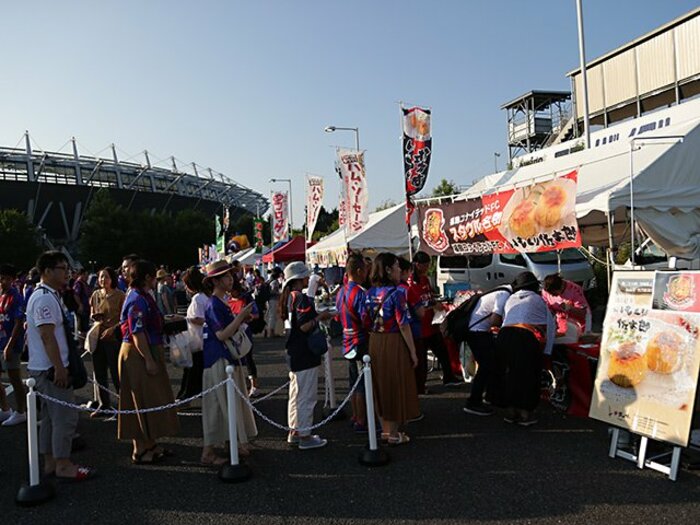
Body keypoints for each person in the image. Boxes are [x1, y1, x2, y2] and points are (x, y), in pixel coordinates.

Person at [26, 251, 96, 481]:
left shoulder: (48, 294)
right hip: (49, 368)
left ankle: (50, 461)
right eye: (62, 269)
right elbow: (48, 336)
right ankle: (64, 464)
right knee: (65, 418)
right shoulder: (45, 298)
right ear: (46, 271)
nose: (67, 273)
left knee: (49, 418)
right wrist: (59, 367)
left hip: (42, 367)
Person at [118, 260, 179, 464]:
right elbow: (137, 332)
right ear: (146, 278)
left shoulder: (142, 296)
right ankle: (140, 448)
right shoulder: (137, 299)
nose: (156, 280)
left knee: (150, 399)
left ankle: (150, 442)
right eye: (153, 276)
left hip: (145, 349)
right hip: (138, 353)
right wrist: (149, 359)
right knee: (138, 400)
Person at [201, 260, 257, 464]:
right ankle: (209, 451)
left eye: (231, 275)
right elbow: (222, 334)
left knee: (227, 402)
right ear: (215, 280)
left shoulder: (219, 302)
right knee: (217, 404)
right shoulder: (214, 304)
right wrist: (240, 316)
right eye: (226, 276)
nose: (231, 279)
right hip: (218, 358)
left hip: (226, 358)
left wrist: (241, 318)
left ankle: (231, 441)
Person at [365, 252, 420, 445]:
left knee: (379, 385)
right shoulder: (397, 294)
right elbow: (403, 324)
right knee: (396, 384)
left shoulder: (369, 293)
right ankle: (394, 434)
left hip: (375, 341)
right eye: (396, 267)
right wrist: (413, 351)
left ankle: (385, 431)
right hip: (394, 341)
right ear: (388, 270)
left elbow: (365, 319)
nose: (399, 270)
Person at [279, 261, 333, 450]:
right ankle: (305, 435)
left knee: (296, 394)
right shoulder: (300, 298)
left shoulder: (288, 298)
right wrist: (320, 317)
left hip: (293, 352)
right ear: (300, 279)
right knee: (306, 396)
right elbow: (304, 326)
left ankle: (295, 431)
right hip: (304, 353)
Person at [495, 271, 555, 426]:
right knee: (527, 376)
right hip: (524, 337)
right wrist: (547, 353)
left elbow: (505, 319)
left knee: (509, 374)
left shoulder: (510, 299)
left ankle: (511, 413)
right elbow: (551, 327)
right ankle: (525, 414)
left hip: (504, 336)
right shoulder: (538, 300)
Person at [408, 251, 462, 387]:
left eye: (428, 264)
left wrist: (438, 303)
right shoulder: (411, 283)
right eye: (425, 265)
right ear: (417, 265)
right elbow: (416, 303)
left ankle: (449, 377)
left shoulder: (425, 280)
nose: (427, 268)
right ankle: (420, 386)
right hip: (420, 328)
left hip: (432, 324)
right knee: (422, 360)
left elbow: (430, 296)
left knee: (443, 352)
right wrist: (432, 304)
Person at [462, 285, 512, 416]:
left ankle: (491, 396)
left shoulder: (501, 289)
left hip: (478, 331)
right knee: (486, 366)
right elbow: (494, 320)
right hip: (478, 333)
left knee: (493, 364)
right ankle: (473, 401)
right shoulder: (504, 295)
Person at [336, 253, 370, 431]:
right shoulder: (360, 293)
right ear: (358, 271)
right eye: (365, 270)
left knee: (353, 382)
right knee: (363, 383)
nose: (366, 274)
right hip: (360, 341)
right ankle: (362, 420)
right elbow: (366, 319)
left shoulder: (341, 292)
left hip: (346, 341)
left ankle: (357, 416)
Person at [88, 267, 125, 417]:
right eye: (101, 277)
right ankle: (104, 404)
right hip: (98, 337)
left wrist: (113, 329)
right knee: (99, 372)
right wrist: (95, 317)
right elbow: (91, 311)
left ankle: (123, 405)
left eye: (107, 277)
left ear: (113, 279)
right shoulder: (96, 295)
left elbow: (124, 319)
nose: (103, 280)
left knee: (117, 374)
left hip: (113, 339)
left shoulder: (120, 295)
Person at [0, 263, 27, 426]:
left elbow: (18, 322)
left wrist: (9, 346)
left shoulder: (15, 296)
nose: (3, 282)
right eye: (1, 278)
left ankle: (21, 411)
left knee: (14, 378)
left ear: (12, 280)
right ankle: (4, 409)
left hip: (11, 343)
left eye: (6, 279)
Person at [176, 266, 207, 401]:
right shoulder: (205, 296)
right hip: (200, 339)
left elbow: (200, 319)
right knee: (196, 371)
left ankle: (186, 397)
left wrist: (184, 319)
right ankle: (190, 394)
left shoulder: (198, 299)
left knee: (191, 371)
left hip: (196, 340)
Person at [399, 257, 428, 397]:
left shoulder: (380, 290)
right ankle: (414, 402)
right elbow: (420, 312)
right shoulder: (406, 290)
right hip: (412, 332)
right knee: (416, 366)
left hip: (392, 336)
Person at [227, 279, 261, 397]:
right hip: (232, 332)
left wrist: (248, 316)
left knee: (248, 358)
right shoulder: (226, 300)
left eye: (233, 291)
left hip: (245, 331)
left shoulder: (247, 299)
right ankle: (240, 385)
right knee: (235, 359)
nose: (231, 293)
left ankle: (254, 385)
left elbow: (257, 314)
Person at [542, 273, 591, 343]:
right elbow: (548, 308)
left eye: (555, 294)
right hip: (562, 321)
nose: (553, 296)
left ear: (561, 287)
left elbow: (583, 313)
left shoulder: (574, 290)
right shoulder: (546, 291)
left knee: (578, 342)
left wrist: (570, 308)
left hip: (579, 322)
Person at [264, 267, 283, 338]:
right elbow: (273, 291)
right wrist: (280, 293)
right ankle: (271, 332)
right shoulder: (274, 282)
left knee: (269, 315)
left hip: (269, 300)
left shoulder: (269, 280)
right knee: (273, 316)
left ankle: (268, 330)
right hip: (273, 300)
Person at [73, 268, 92, 335]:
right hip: (82, 308)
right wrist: (80, 305)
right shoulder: (78, 283)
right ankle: (81, 343)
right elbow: (76, 294)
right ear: (82, 274)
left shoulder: (84, 283)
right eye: (86, 275)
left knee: (85, 325)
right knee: (82, 327)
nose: (87, 277)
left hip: (86, 307)